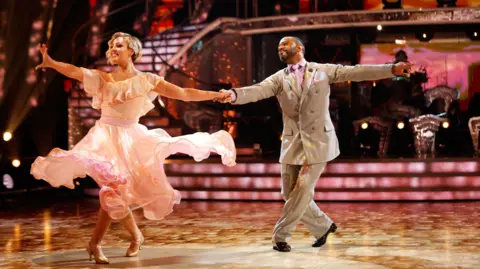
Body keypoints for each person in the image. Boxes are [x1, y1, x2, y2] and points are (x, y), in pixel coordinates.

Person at [30, 32, 235, 264]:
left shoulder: (148, 80)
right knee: (114, 191)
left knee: (118, 194)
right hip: (104, 139)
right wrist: (52, 63)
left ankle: (129, 237)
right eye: (111, 46)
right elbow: (75, 71)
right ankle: (99, 243)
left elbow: (184, 93)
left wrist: (215, 96)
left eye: (119, 45)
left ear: (132, 51)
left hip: (132, 139)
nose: (113, 49)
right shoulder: (103, 78)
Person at [217, 36, 411, 252]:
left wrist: (392, 69)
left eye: (285, 43)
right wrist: (233, 95)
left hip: (319, 141)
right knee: (288, 193)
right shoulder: (279, 79)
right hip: (292, 142)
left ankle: (280, 236)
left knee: (302, 188)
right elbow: (257, 90)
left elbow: (357, 71)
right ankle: (323, 226)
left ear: (299, 47)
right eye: (278, 45)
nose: (280, 47)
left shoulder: (322, 71)